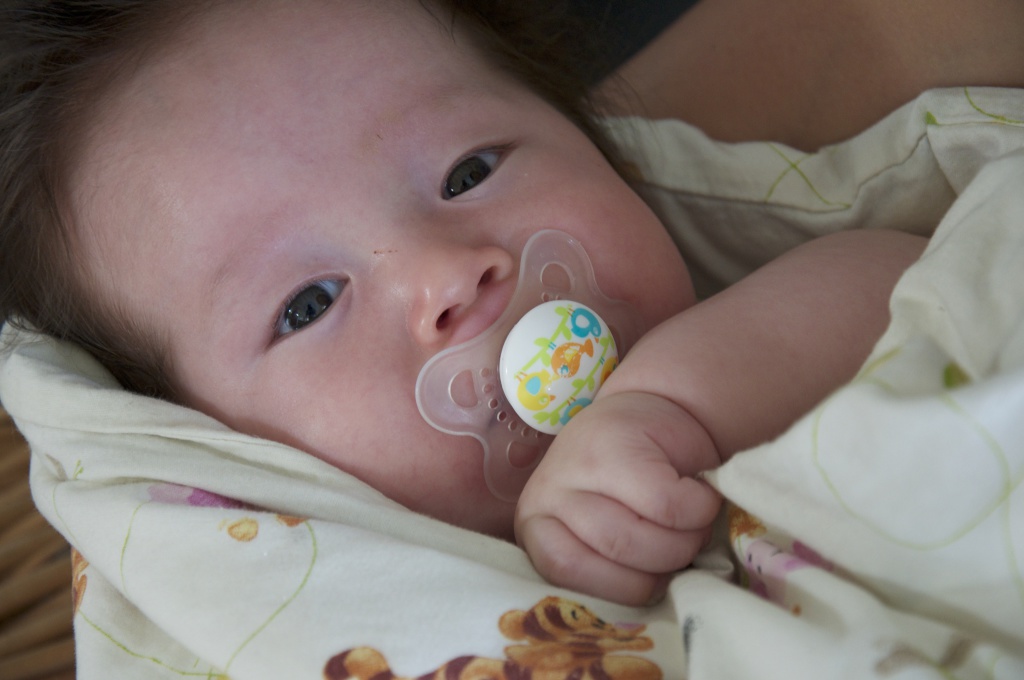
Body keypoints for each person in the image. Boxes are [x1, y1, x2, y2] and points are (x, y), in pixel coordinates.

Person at [2, 0, 1012, 610]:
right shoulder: (325, 609)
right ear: (216, 453)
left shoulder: (735, 330)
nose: (447, 275)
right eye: (307, 305)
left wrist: (674, 405)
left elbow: (907, 280)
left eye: (470, 169)